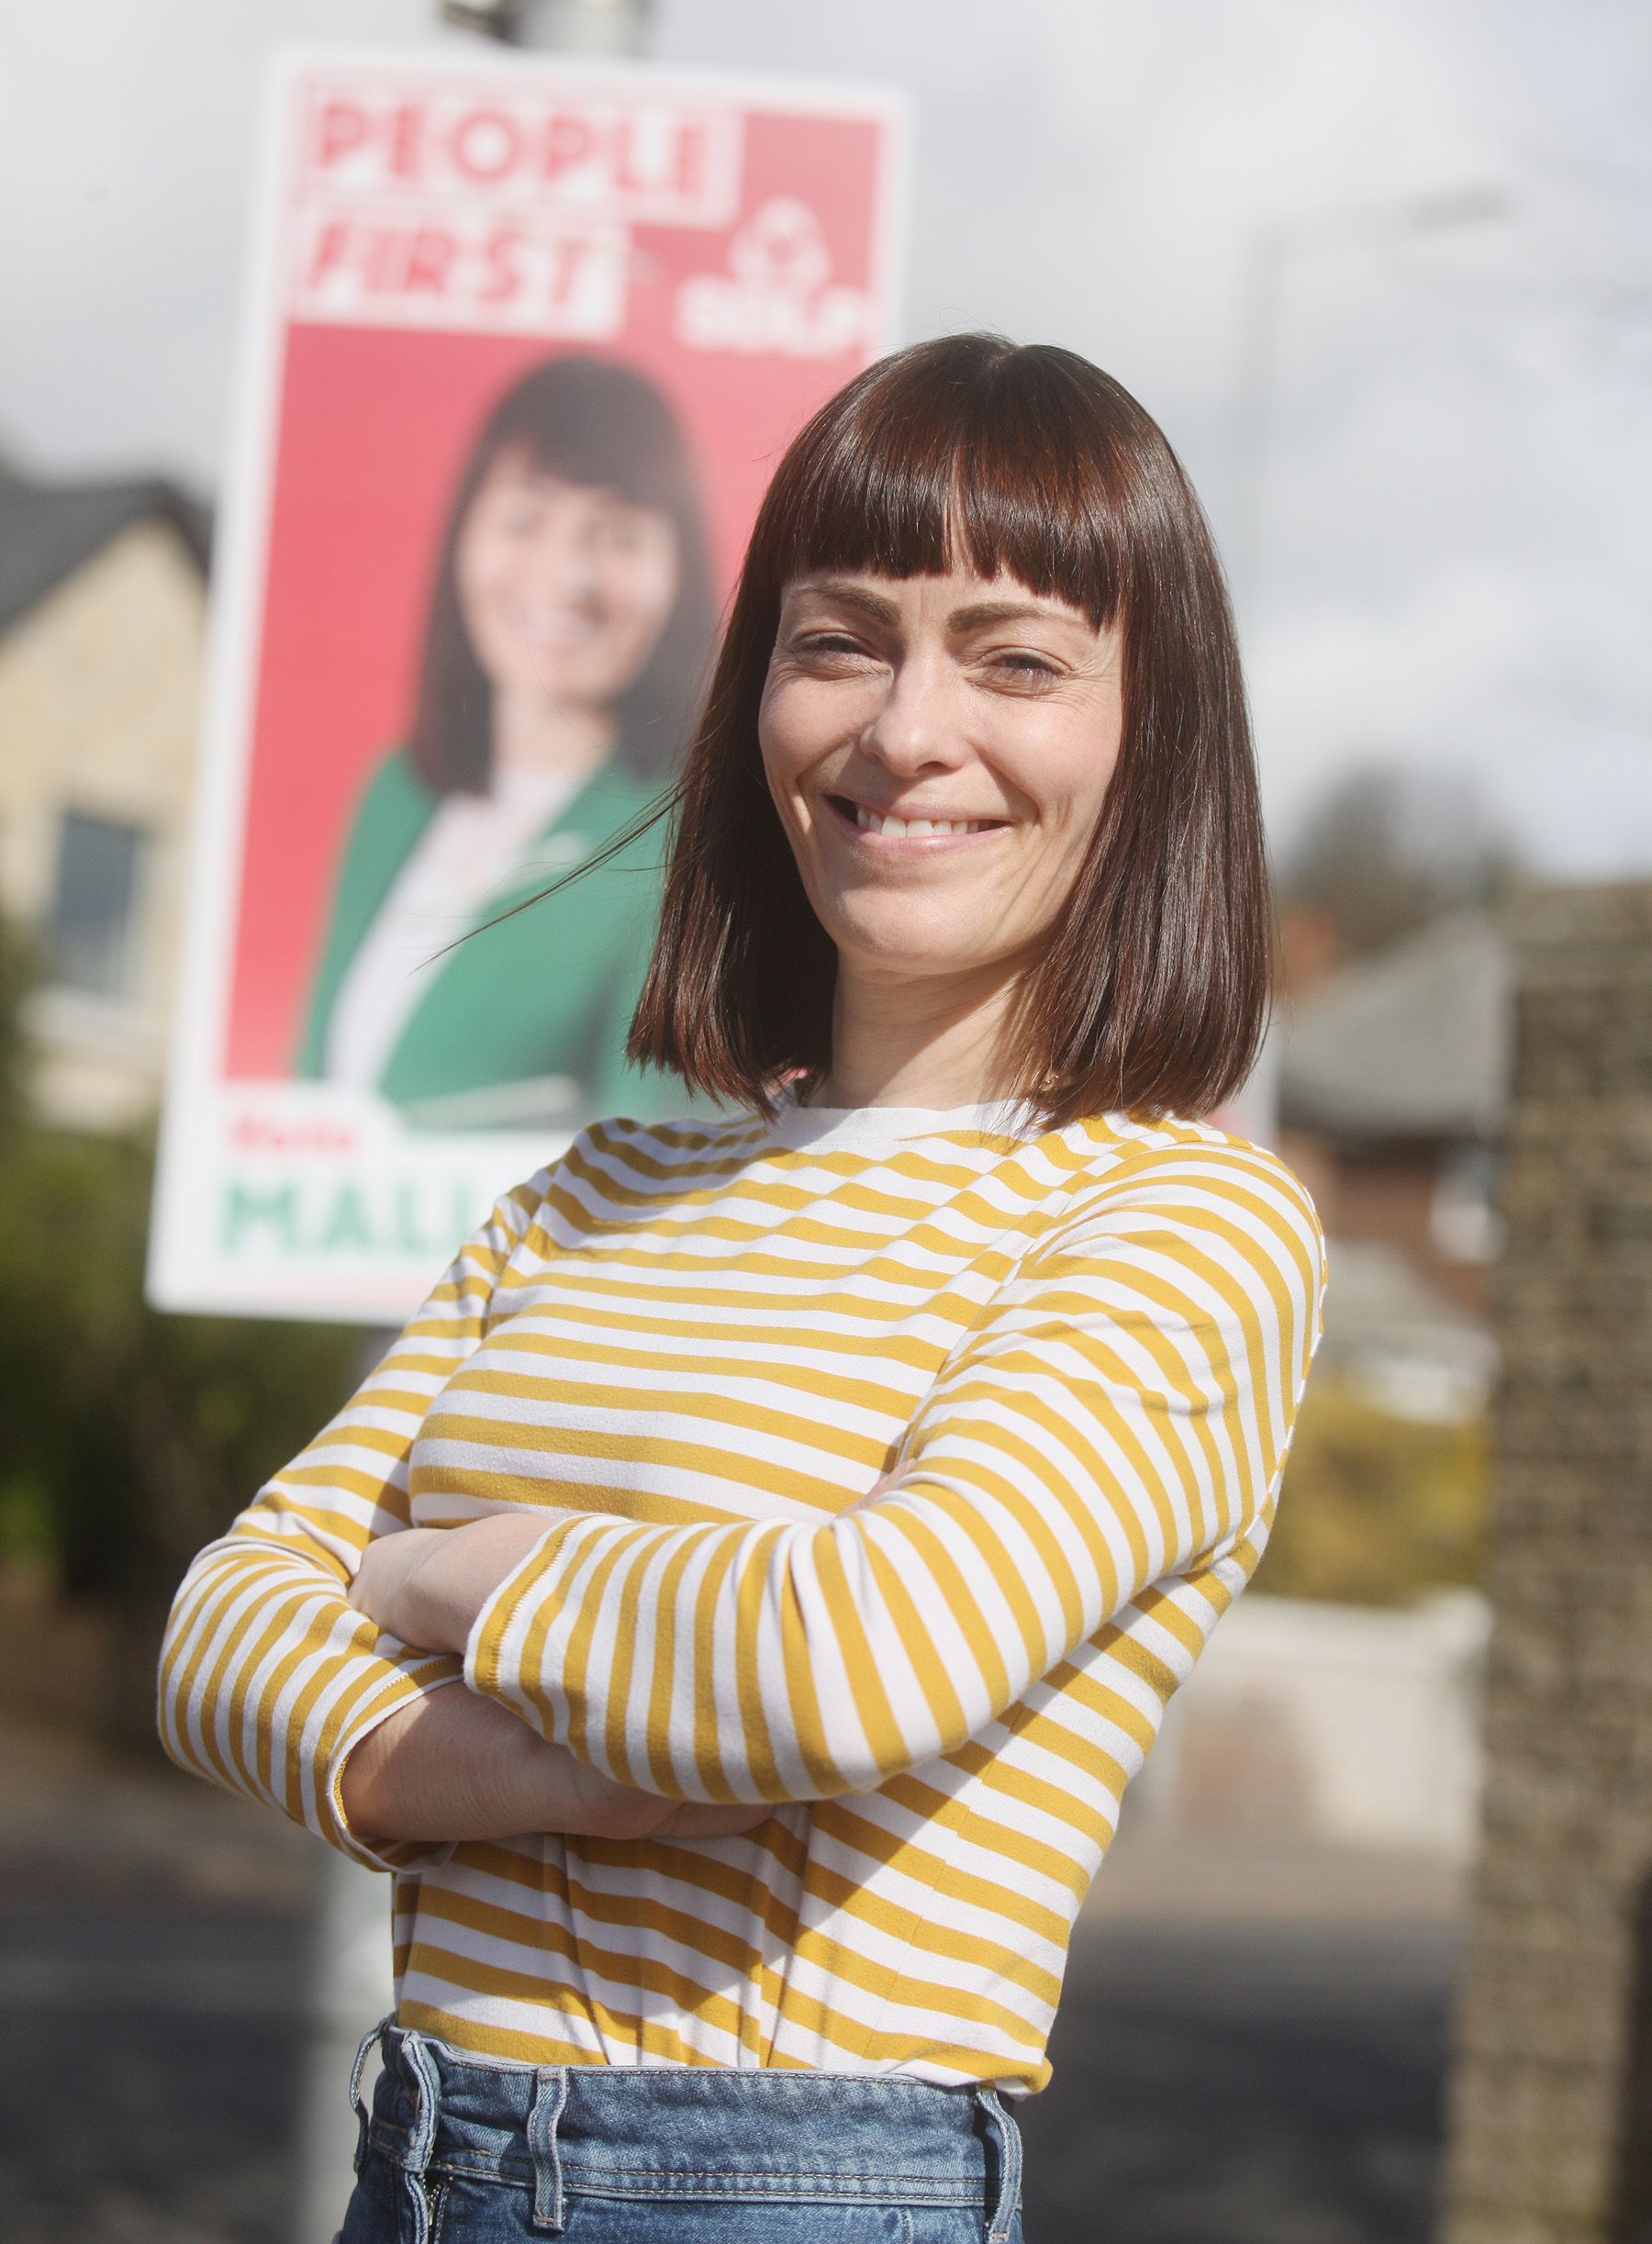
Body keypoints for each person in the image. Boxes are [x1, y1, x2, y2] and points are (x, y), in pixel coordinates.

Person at [162, 333, 1326, 2242]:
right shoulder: (596, 1184)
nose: (903, 728)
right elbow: (220, 1634)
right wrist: (510, 1760)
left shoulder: (1177, 1222)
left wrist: (438, 1566)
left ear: (1152, 735)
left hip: (785, 2181)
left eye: (1014, 657)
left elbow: (851, 1660)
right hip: (419, 2162)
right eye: (839, 638)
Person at [296, 353, 716, 1131]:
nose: (566, 575)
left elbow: (655, 1170)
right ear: (465, 534)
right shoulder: (397, 794)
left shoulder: (687, 844)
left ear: (678, 568)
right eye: (525, 519)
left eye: (618, 534)